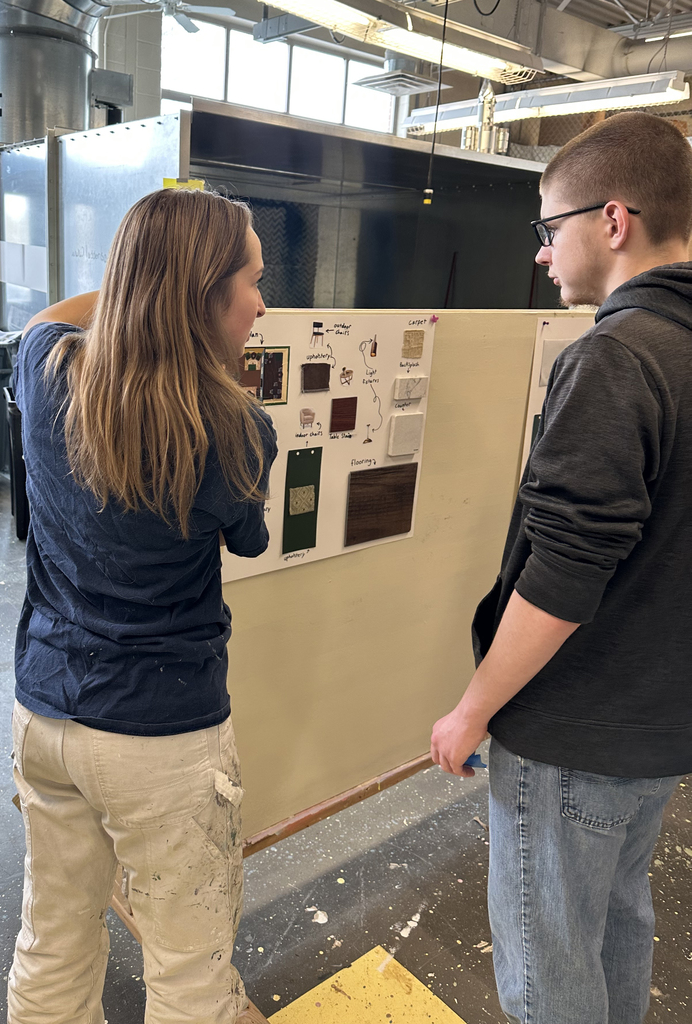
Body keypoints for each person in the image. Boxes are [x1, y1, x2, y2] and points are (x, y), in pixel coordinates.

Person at [429, 110, 692, 1024]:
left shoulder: (616, 358)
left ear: (612, 222)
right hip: (660, 727)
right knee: (619, 921)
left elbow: (565, 574)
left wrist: (474, 709)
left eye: (550, 228)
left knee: (547, 973)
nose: (544, 254)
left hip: (575, 734)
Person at [8, 188, 276, 1024]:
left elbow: (53, 317)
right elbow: (250, 540)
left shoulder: (49, 372)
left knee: (53, 938)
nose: (263, 304)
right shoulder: (234, 430)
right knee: (189, 970)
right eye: (252, 282)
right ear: (204, 298)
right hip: (163, 737)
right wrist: (158, 301)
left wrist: (139, 286)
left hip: (45, 714)